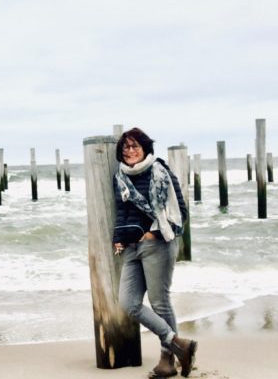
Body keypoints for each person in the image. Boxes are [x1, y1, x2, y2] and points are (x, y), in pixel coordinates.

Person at [112, 127, 197, 378]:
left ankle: (167, 362)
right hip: (130, 248)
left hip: (156, 243)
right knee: (128, 303)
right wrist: (118, 239)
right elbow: (121, 211)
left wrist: (153, 234)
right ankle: (178, 343)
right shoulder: (120, 175)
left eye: (135, 145)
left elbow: (179, 211)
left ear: (146, 148)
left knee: (160, 302)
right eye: (125, 147)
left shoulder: (160, 171)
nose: (130, 150)